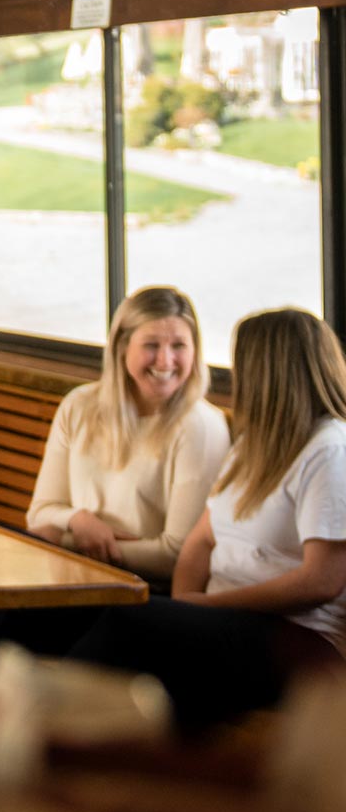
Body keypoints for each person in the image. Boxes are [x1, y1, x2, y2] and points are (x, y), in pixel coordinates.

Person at [68, 307, 346, 731]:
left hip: (298, 642)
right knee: (71, 615)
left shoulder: (330, 450)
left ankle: (35, 740)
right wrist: (187, 609)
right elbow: (200, 543)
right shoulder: (255, 444)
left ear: (269, 373)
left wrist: (206, 608)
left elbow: (321, 581)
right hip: (232, 621)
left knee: (129, 621)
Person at [26, 286, 230, 583]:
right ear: (122, 346)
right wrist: (77, 519)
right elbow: (40, 513)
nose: (165, 361)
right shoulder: (79, 405)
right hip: (68, 575)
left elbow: (176, 554)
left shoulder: (201, 427)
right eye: (151, 345)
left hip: (140, 590)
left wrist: (66, 540)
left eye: (179, 346)